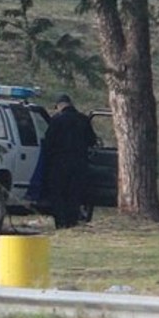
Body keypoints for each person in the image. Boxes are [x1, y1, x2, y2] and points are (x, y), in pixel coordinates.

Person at [40, 94, 96, 229]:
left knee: (58, 194)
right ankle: (72, 222)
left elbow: (48, 142)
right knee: (74, 194)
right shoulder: (83, 119)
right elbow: (92, 140)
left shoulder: (56, 120)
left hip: (59, 163)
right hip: (79, 163)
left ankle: (61, 223)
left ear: (59, 106)